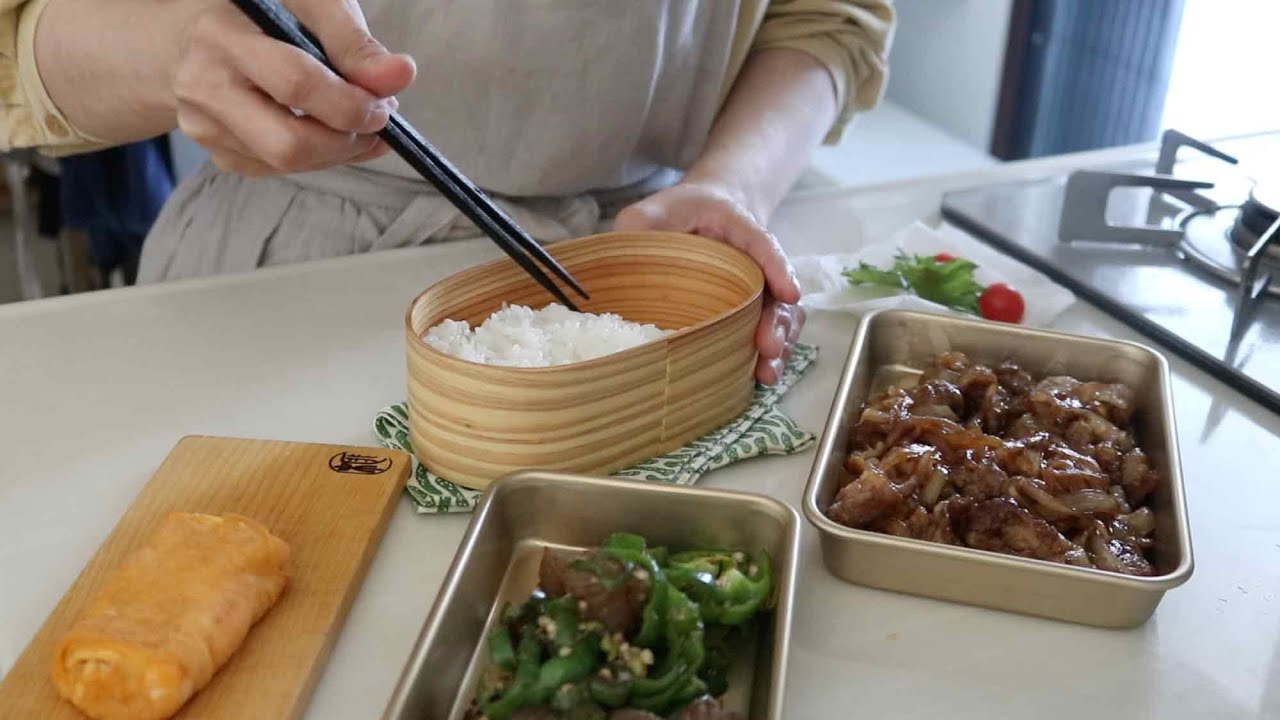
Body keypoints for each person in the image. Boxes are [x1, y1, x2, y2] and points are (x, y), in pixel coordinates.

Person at [0, 0, 893, 383]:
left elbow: (827, 18)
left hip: (655, 257)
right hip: (295, 269)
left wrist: (730, 186)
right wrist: (171, 46)